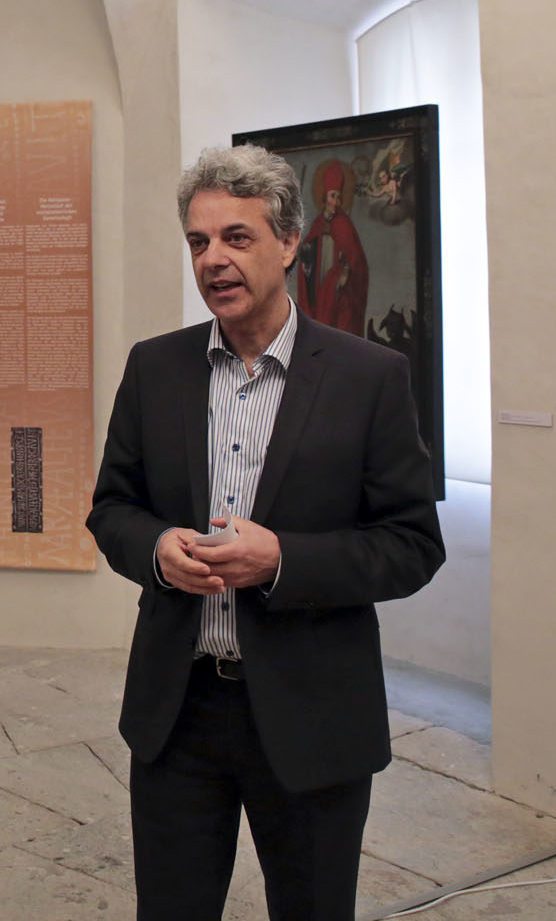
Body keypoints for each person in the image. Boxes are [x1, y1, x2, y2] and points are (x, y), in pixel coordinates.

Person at [87, 144, 444, 920]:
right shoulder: (156, 369)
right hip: (178, 715)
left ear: (289, 242)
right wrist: (154, 550)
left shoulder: (367, 378)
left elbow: (413, 544)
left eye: (236, 238)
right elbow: (111, 508)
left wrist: (283, 560)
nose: (213, 259)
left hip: (312, 714)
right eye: (198, 242)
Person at [294, 159, 368, 335]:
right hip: (317, 281)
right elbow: (308, 251)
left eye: (339, 196)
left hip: (336, 287)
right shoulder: (318, 223)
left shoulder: (344, 224)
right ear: (324, 196)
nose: (337, 201)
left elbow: (356, 260)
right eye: (333, 195)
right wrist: (305, 256)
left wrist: (346, 273)